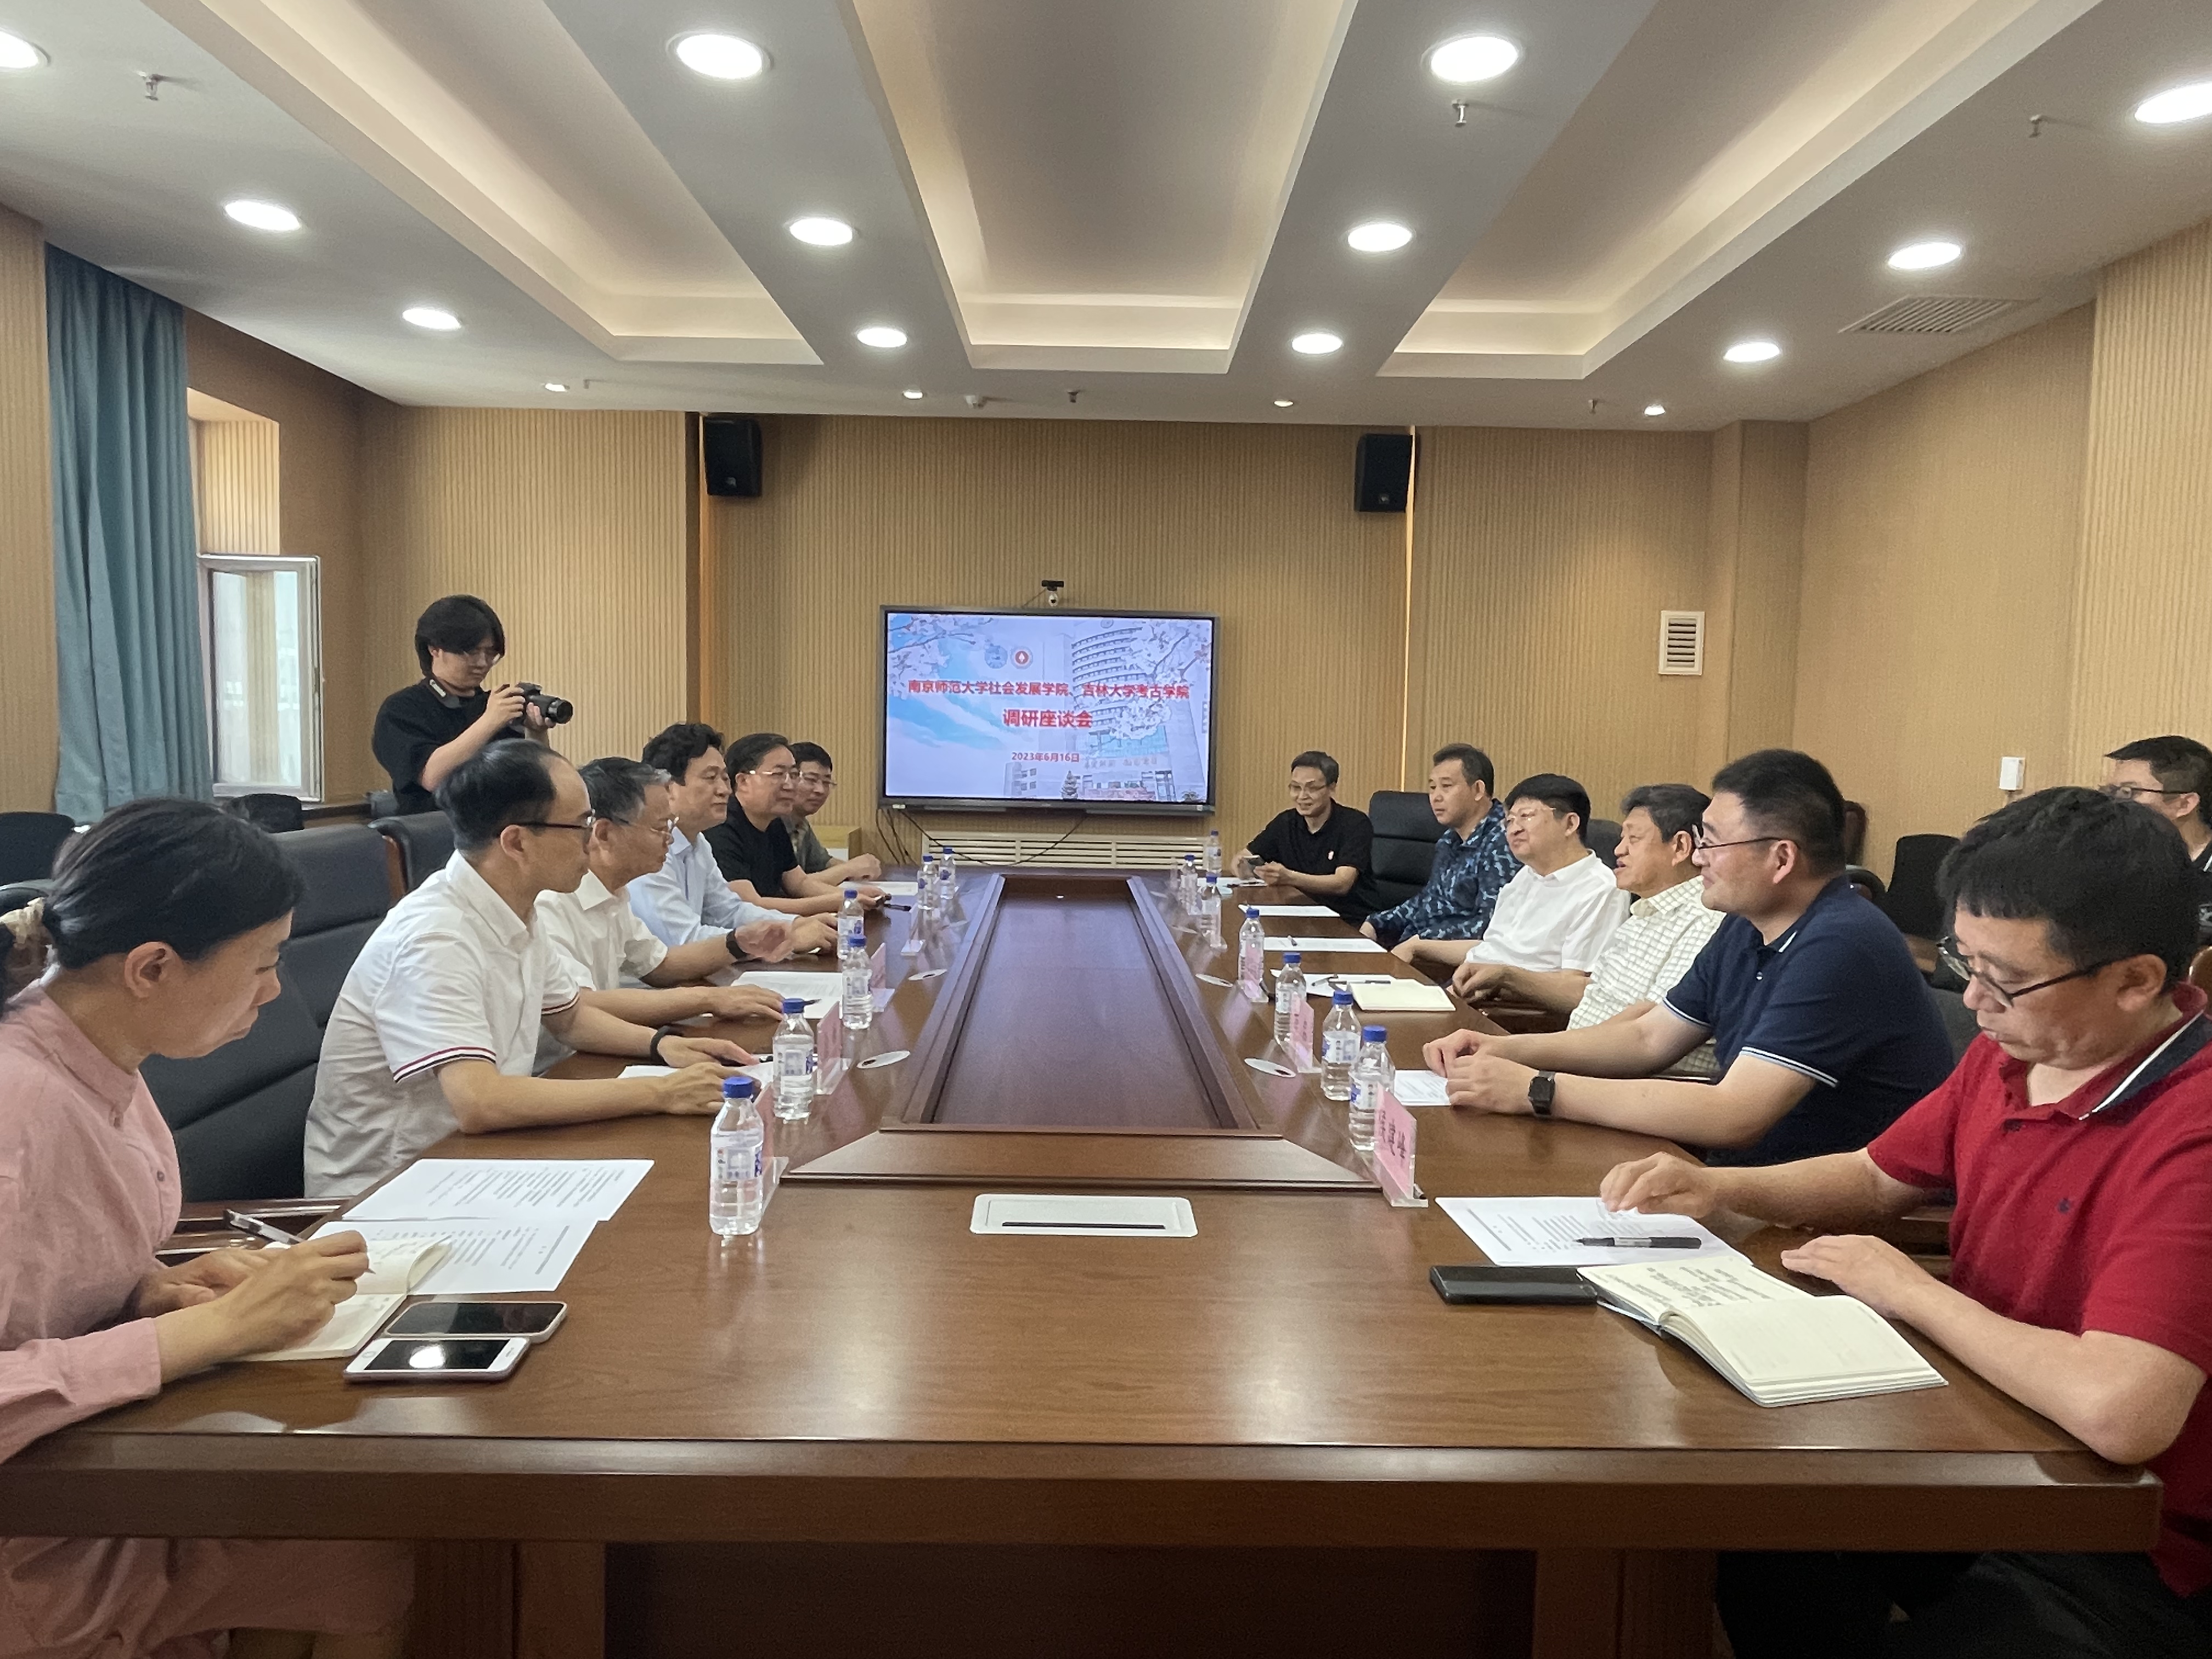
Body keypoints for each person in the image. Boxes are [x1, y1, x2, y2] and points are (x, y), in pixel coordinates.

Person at [1602, 787, 2212, 1659]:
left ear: (2136, 981)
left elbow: (2122, 1412)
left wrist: (1909, 1290)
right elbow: (1876, 1176)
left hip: (2125, 1538)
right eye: (1966, 965)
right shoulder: (2012, 1054)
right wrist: (1721, 1189)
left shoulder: (2192, 1129)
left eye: (2006, 981)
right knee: (1752, 1528)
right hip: (1981, 1443)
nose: (1975, 1004)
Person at [1, 799, 413, 1657]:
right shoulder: (19, 1107)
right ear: (152, 967)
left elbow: (45, 1282)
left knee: (355, 1537)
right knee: (355, 1536)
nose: (276, 990)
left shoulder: (99, 1056)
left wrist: (152, 1291)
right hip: (36, 1526)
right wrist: (208, 1332)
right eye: (262, 963)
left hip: (80, 1468)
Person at [1423, 749, 1954, 1164]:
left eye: (1713, 844)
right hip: (1731, 1172)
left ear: (1781, 858)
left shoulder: (1842, 943)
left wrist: (1539, 1091)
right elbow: (1648, 1038)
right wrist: (1505, 1050)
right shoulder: (1746, 924)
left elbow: (1736, 1114)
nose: (1698, 858)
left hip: (1814, 1207)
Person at [305, 742, 751, 1197]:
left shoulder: (516, 906)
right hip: (392, 1188)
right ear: (516, 842)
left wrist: (664, 1046)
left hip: (472, 1158)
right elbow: (479, 1101)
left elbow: (571, 1018)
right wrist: (662, 1092)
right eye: (580, 825)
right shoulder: (435, 936)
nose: (591, 840)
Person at [1454, 783, 1726, 1077]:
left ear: (1681, 847)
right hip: (1579, 1066)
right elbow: (1595, 995)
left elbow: (1647, 1029)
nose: (1619, 850)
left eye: (1634, 839)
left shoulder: (1705, 919)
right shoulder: (1645, 913)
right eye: (1622, 838)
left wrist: (1518, 1054)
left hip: (1624, 1082)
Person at [535, 758, 796, 1036]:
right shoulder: (551, 902)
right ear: (605, 834)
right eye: (660, 828)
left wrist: (739, 942)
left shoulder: (615, 892)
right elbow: (579, 1005)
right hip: (564, 1059)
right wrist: (708, 999)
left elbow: (660, 965)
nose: (669, 840)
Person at [627, 724, 834, 956]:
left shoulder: (698, 842)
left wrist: (795, 924)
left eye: (725, 778)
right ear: (669, 788)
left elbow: (730, 912)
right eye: (711, 778)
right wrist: (786, 939)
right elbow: (684, 940)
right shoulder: (647, 847)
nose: (725, 790)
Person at [1395, 774, 1626, 973]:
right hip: (1475, 987)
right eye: (1510, 821)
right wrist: (1418, 946)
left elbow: (1578, 985)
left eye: (1526, 816)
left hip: (1513, 1004)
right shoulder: (1526, 876)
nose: (1514, 829)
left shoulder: (1601, 889)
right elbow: (1491, 949)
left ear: (1570, 824)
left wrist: (1502, 978)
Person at [370, 594, 547, 816]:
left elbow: (538, 781)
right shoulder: (401, 709)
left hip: (501, 825)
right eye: (471, 652)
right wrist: (489, 721)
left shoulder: (496, 705)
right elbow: (432, 777)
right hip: (436, 829)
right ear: (434, 649)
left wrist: (536, 731)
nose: (482, 663)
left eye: (490, 653)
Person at [708, 732, 885, 919]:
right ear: (743, 781)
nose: (790, 785)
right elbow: (750, 905)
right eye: (778, 775)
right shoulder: (721, 827)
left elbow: (799, 884)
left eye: (793, 775)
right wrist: (841, 901)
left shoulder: (773, 822)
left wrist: (852, 895)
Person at [1361, 745, 1517, 950]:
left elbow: (1489, 926)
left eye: (1446, 786)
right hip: (1417, 947)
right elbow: (1428, 901)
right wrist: (1376, 923)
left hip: (1456, 959)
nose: (1436, 797)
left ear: (1478, 790)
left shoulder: (1504, 842)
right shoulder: (1449, 840)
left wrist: (1421, 942)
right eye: (1433, 788)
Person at [1231, 751, 1383, 922]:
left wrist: (1289, 877)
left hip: (1348, 919)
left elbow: (1342, 884)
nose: (1302, 796)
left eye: (1312, 788)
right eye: (1296, 788)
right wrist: (1245, 870)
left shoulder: (1355, 823)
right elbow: (1243, 857)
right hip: (1298, 914)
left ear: (1332, 787)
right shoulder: (1285, 822)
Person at [2103, 735, 2212, 941]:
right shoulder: (2110, 859)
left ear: (2184, 804)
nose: (2112, 804)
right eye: (2110, 792)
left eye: (2128, 792)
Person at [785, 742, 882, 885]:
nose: (820, 790)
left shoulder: (801, 824)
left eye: (826, 782)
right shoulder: (771, 824)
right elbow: (788, 887)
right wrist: (848, 869)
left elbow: (824, 864)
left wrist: (859, 868)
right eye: (811, 780)